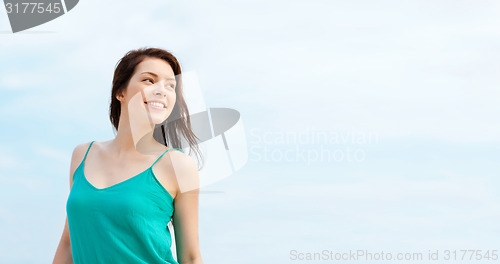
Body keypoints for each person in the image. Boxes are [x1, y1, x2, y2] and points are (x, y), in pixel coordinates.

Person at [52, 47, 203, 264]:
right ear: (120, 92)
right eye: (149, 80)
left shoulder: (178, 165)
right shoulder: (82, 155)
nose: (162, 90)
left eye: (171, 85)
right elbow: (69, 243)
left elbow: (190, 257)